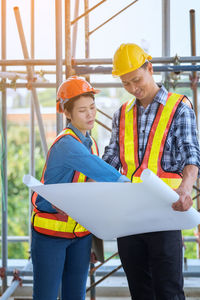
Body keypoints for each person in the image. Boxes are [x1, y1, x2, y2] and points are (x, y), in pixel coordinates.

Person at [103, 43, 200, 300]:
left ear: (150, 68)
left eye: (136, 80)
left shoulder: (179, 106)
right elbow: (111, 159)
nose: (133, 88)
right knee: (140, 293)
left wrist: (186, 188)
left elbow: (191, 154)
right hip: (130, 217)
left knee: (168, 293)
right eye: (125, 83)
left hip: (164, 215)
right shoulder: (120, 115)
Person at [31, 75, 129, 300]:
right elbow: (101, 171)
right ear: (67, 113)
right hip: (51, 234)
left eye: (93, 108)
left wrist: (94, 235)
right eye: (83, 110)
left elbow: (90, 188)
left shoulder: (90, 141)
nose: (91, 115)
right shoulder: (66, 144)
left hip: (79, 235)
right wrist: (130, 187)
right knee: (45, 296)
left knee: (75, 296)